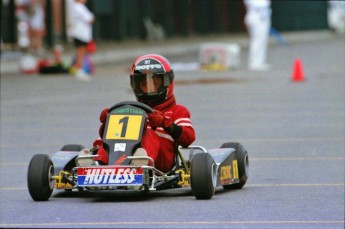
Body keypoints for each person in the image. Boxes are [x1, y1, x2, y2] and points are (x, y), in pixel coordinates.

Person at [91, 54, 196, 173]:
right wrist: (108, 124)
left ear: (167, 82)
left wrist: (165, 123)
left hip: (161, 162)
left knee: (149, 133)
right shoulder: (131, 112)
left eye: (155, 83)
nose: (149, 88)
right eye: (144, 84)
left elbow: (189, 137)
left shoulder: (177, 111)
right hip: (125, 157)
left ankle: (141, 164)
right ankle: (96, 165)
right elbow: (100, 141)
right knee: (112, 136)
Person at [68, 0, 94, 81]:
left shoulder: (75, 7)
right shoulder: (79, 7)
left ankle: (79, 68)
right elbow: (89, 19)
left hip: (79, 33)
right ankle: (79, 69)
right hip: (80, 34)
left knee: (81, 52)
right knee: (81, 52)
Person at [244, 0, 271, 71]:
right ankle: (255, 63)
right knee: (257, 40)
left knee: (262, 40)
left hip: (263, 15)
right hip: (257, 15)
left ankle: (260, 61)